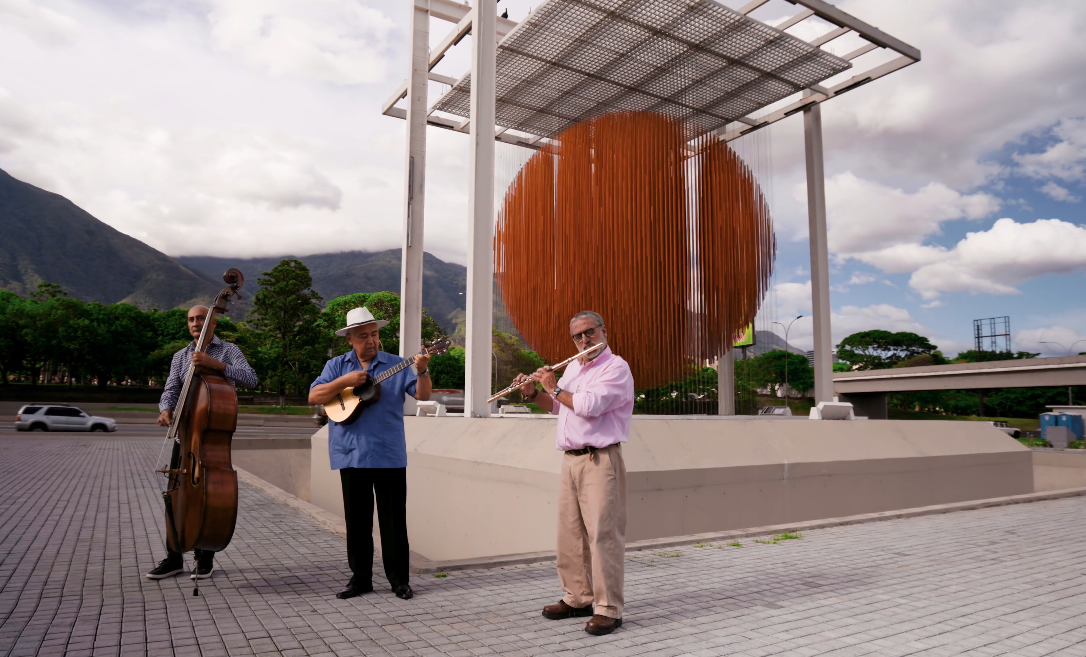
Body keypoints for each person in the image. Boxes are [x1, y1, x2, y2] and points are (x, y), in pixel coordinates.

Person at [513, 310, 634, 636]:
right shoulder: (573, 369)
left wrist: (552, 387)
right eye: (577, 336)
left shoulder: (616, 368)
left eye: (589, 332)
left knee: (603, 536)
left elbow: (588, 406)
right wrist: (533, 392)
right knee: (570, 534)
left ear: (603, 331)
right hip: (571, 460)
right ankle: (578, 598)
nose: (584, 339)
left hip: (600, 459)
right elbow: (558, 406)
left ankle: (609, 608)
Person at [308, 307, 431, 601]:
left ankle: (399, 581)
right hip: (350, 454)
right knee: (357, 523)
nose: (371, 340)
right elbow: (314, 396)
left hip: (388, 454)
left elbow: (423, 395)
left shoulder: (397, 364)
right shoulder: (336, 365)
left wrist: (422, 370)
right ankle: (361, 579)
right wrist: (345, 381)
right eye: (363, 336)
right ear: (349, 339)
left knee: (393, 522)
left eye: (374, 334)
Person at [146, 305, 258, 581]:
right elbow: (171, 389)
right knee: (175, 497)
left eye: (200, 318)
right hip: (184, 438)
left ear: (212, 322)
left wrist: (216, 365)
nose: (195, 323)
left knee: (208, 498)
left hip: (210, 441)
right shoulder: (180, 356)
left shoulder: (229, 350)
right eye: (191, 319)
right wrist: (165, 409)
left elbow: (251, 379)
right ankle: (174, 557)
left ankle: (204, 557)